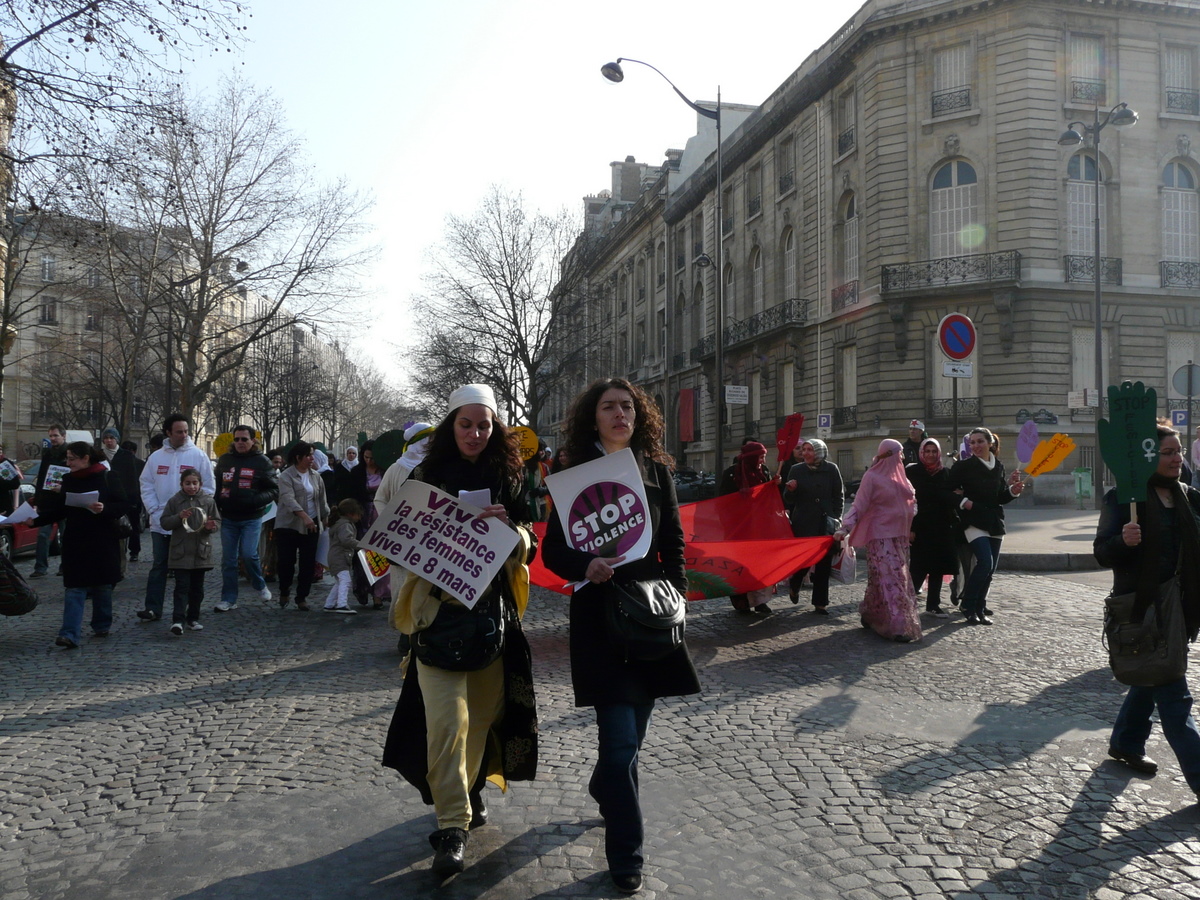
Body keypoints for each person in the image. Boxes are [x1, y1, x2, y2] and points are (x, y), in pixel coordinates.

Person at [542, 377, 700, 895]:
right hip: (600, 620)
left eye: (627, 407)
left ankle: (603, 787)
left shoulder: (656, 469)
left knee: (630, 742)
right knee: (620, 746)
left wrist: (675, 597)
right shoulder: (571, 476)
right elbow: (552, 555)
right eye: (609, 406)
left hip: (650, 618)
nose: (619, 414)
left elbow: (673, 539)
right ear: (594, 416)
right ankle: (626, 856)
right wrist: (587, 564)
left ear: (640, 415)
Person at [381, 384, 539, 880]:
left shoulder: (511, 476)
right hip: (436, 622)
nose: (475, 433)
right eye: (466, 424)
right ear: (451, 426)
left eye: (484, 425)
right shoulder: (423, 475)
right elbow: (394, 539)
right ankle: (451, 827)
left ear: (495, 429)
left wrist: (509, 533)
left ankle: (468, 790)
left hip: (493, 623)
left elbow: (531, 543)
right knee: (447, 725)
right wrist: (443, 532)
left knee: (484, 719)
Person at [1095, 420, 1200, 801]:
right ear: (1147, 457)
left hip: (1181, 606)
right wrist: (1123, 541)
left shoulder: (1187, 495)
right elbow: (1101, 552)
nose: (1177, 458)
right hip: (1143, 608)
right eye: (1168, 452)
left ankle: (1125, 741)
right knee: (1173, 693)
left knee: (1149, 676)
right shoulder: (1123, 498)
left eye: (1179, 451)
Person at [35, 441, 131, 648]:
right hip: (76, 540)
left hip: (103, 539)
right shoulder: (68, 480)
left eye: (72, 459)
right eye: (67, 458)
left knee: (102, 585)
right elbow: (60, 510)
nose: (68, 463)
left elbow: (123, 504)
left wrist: (104, 508)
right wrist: (34, 520)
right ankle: (69, 633)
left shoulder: (107, 476)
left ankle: (101, 624)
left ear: (85, 458)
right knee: (74, 588)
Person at [833, 438, 921, 643]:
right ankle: (898, 625)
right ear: (889, 455)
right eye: (898, 453)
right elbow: (859, 505)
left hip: (900, 537)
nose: (902, 457)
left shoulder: (903, 478)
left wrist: (909, 515)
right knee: (893, 579)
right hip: (880, 537)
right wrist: (845, 528)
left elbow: (913, 500)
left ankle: (871, 613)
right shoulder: (871, 477)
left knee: (880, 579)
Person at [137, 415, 215, 621]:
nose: (184, 435)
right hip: (160, 522)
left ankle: (187, 612)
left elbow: (208, 488)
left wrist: (197, 515)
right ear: (168, 433)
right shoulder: (155, 458)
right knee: (159, 565)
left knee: (187, 570)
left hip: (189, 526)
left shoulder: (198, 456)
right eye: (179, 431)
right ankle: (153, 608)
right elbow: (146, 484)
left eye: (186, 431)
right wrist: (154, 510)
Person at [946, 426, 1024, 625]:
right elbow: (945, 492)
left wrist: (1013, 491)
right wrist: (964, 503)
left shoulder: (998, 466)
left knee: (990, 569)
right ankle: (967, 604)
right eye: (972, 442)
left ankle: (980, 607)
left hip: (994, 520)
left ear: (991, 443)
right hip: (972, 520)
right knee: (985, 563)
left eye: (980, 441)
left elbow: (1000, 497)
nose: (975, 446)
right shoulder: (963, 466)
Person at [213, 425, 278, 612]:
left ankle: (259, 584)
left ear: (253, 441)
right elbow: (217, 487)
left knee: (249, 554)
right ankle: (229, 599)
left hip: (252, 517)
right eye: (237, 439)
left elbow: (274, 489)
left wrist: (254, 500)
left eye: (244, 439)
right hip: (228, 517)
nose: (240, 443)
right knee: (229, 560)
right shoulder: (225, 460)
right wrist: (215, 510)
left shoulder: (262, 462)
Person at [782, 438, 844, 614]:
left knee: (824, 563)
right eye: (804, 449)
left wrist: (837, 518)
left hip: (826, 522)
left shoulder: (831, 469)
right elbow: (787, 499)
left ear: (819, 452)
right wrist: (791, 490)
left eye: (810, 450)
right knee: (805, 560)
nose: (805, 453)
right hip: (804, 523)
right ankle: (796, 582)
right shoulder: (796, 470)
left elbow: (838, 496)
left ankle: (820, 602)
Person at [159, 468, 220, 635]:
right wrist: (179, 517)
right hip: (181, 551)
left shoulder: (208, 501)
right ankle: (178, 620)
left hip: (201, 551)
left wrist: (211, 526)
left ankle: (193, 618)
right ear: (181, 484)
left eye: (195, 483)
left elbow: (216, 521)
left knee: (197, 589)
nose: (191, 487)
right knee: (181, 587)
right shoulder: (175, 501)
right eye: (188, 483)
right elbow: (164, 522)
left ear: (200, 484)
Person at [718, 440, 774, 615]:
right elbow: (722, 503)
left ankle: (760, 601)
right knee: (740, 567)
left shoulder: (764, 472)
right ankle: (742, 601)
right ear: (752, 458)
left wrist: (774, 486)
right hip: (738, 529)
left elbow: (769, 498)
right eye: (761, 457)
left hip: (760, 528)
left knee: (761, 565)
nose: (763, 461)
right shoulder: (731, 474)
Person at [905, 438, 959, 618]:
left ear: (939, 453)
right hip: (919, 526)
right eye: (927, 451)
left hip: (941, 525)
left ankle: (933, 604)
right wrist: (910, 527)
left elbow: (951, 496)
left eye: (933, 451)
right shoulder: (912, 471)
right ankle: (906, 603)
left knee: (937, 566)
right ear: (922, 452)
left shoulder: (945, 473)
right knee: (918, 567)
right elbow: (906, 501)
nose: (930, 455)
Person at [275, 441, 329, 611]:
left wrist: (325, 517)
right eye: (308, 455)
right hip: (289, 525)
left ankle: (302, 597)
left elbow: (321, 500)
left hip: (311, 525)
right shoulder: (286, 476)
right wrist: (303, 516)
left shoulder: (316, 476)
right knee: (286, 562)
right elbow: (287, 498)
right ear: (298, 458)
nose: (312, 458)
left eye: (312, 454)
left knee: (308, 563)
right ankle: (284, 590)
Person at [346, 439, 388, 607]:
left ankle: (379, 594)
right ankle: (366, 589)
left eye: (372, 458)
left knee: (381, 555)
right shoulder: (357, 472)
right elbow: (351, 494)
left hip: (382, 515)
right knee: (364, 556)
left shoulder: (386, 471)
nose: (369, 461)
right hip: (363, 516)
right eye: (366, 457)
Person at [30, 424, 68, 577]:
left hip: (63, 500)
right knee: (43, 535)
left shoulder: (69, 453)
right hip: (47, 500)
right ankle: (40, 567)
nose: (53, 438)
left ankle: (65, 566)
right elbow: (41, 478)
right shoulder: (47, 454)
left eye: (55, 436)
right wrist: (38, 500)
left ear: (63, 436)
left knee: (66, 535)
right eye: (51, 436)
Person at [322, 498, 361, 614]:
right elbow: (347, 540)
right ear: (351, 514)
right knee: (345, 580)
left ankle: (329, 604)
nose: (359, 517)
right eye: (358, 515)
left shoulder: (340, 524)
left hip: (336, 557)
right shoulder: (345, 525)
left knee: (339, 581)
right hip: (340, 557)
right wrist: (362, 545)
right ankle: (342, 604)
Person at [118, 439, 146, 561]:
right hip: (134, 498)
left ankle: (128, 550)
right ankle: (134, 551)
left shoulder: (120, 463)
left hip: (127, 498)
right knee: (134, 526)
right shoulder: (140, 463)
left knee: (126, 525)